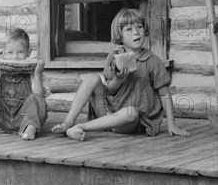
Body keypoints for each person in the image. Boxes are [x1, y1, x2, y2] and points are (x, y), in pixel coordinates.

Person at [52, 8, 190, 140]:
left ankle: (81, 127)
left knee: (131, 112)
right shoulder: (115, 56)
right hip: (107, 111)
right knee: (92, 79)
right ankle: (68, 123)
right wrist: (118, 78)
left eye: (139, 27)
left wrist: (172, 124)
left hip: (129, 121)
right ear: (120, 35)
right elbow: (111, 90)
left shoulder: (152, 61)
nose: (136, 32)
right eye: (129, 29)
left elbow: (164, 93)